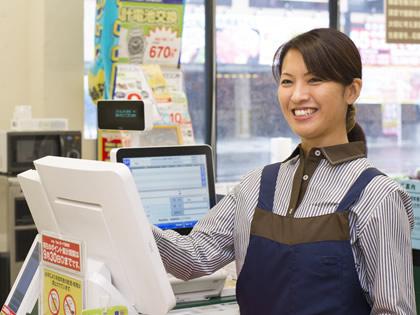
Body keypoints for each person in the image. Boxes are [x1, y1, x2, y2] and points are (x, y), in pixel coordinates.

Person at [152, 28, 415, 314]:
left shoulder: (377, 196)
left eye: (315, 80)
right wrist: (123, 214)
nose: (298, 95)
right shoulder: (255, 186)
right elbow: (194, 257)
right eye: (287, 81)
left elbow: (394, 310)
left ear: (351, 90)